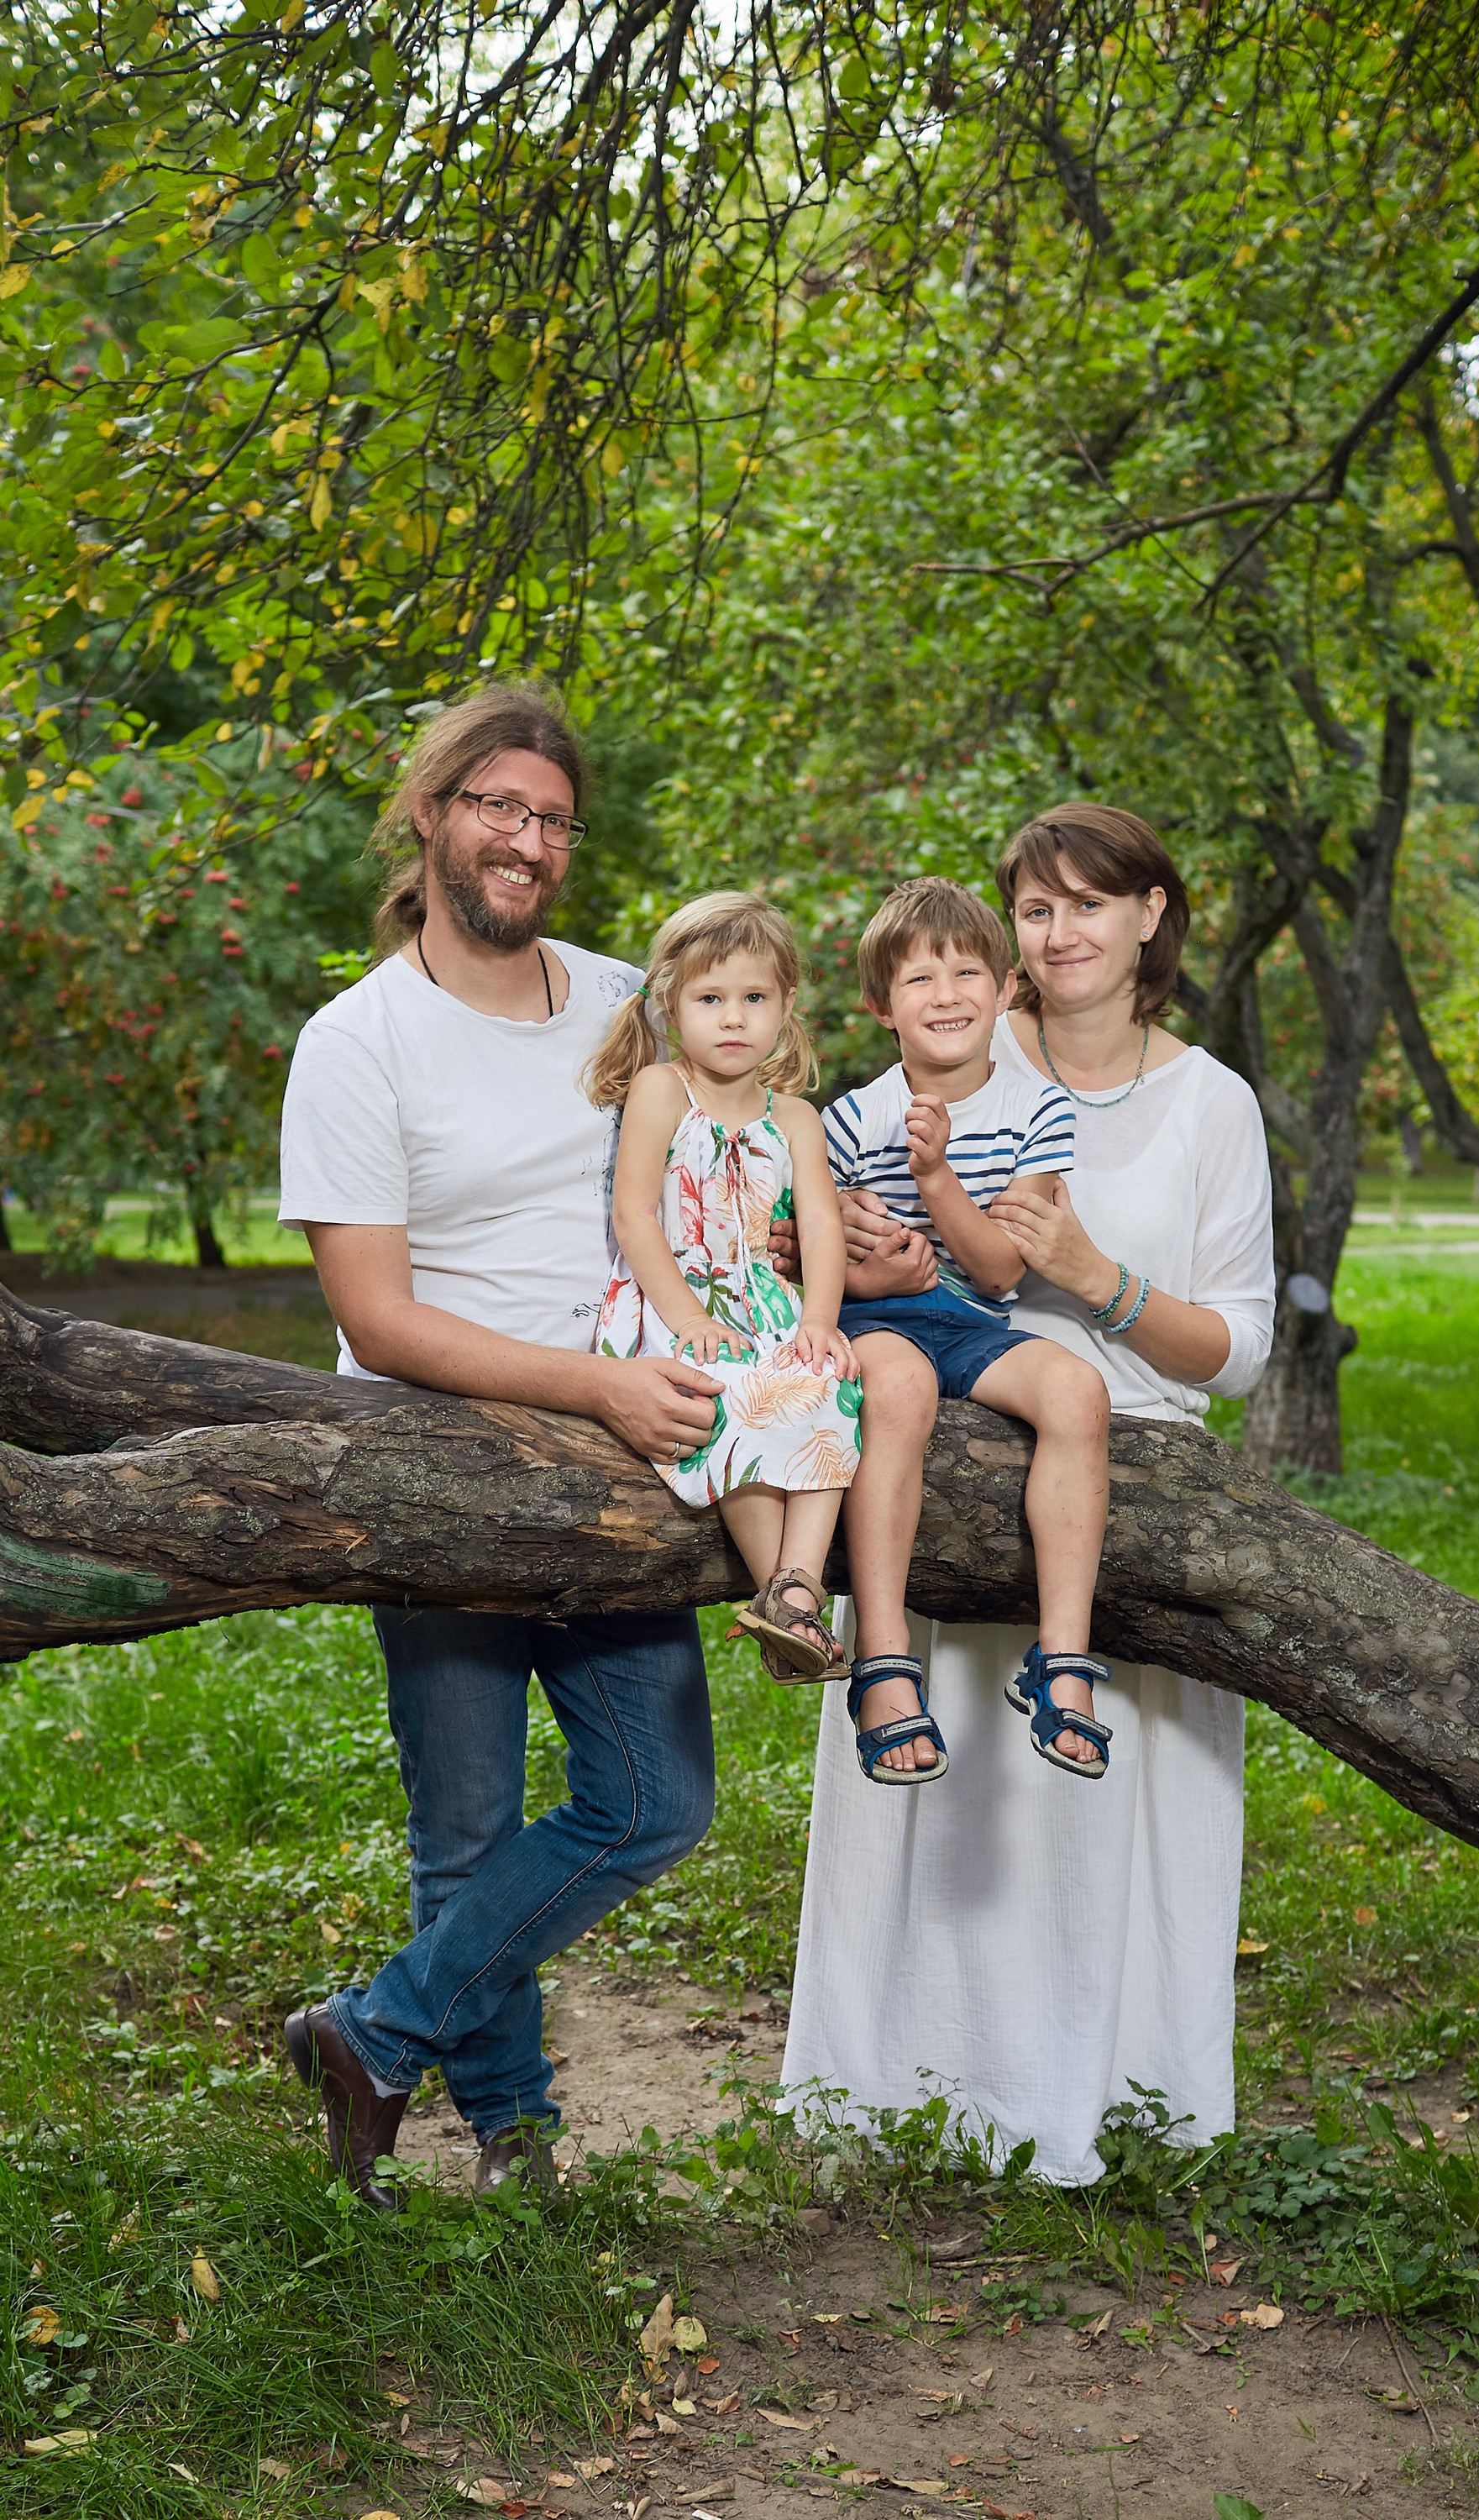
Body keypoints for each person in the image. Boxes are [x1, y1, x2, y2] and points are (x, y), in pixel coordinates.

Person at [276, 681, 732, 2208]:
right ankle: (518, 2132)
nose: (526, 839)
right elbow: (377, 1318)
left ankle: (371, 2028)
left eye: (551, 818)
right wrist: (582, 1387)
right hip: (441, 1472)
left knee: (655, 1802)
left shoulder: (622, 1000)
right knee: (465, 1821)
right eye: (498, 807)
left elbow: (725, 1164)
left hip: (620, 1477)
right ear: (433, 814)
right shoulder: (358, 1042)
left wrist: (839, 1215)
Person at [783, 806, 1275, 2181]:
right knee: (949, 1811)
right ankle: (913, 2094)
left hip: (1134, 1460)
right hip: (938, 1456)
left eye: (1089, 906)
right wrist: (860, 1259)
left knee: (1102, 1810)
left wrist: (1099, 1278)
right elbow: (821, 1221)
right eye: (1036, 910)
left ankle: (1118, 2101)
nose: (1060, 935)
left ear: (1152, 919)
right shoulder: (938, 1069)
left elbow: (1240, 1353)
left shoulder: (1209, 1103)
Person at [824, 877, 1117, 1785]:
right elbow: (805, 1258)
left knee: (1076, 1389)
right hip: (873, 1322)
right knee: (896, 1390)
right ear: (880, 1006)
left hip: (969, 1320)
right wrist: (863, 1255)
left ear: (1003, 989)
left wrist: (936, 1176)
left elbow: (998, 1271)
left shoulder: (1038, 1110)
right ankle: (882, 1662)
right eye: (917, 979)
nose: (945, 995)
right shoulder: (845, 1121)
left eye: (964, 973)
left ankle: (1060, 1661)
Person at [589, 892, 860, 1683]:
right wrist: (689, 1318)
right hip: (672, 1299)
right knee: (729, 1392)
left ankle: (795, 1592)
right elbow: (636, 1217)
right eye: (711, 999)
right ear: (672, 1005)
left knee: (829, 1384)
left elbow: (821, 1229)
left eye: (754, 999)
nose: (733, 1018)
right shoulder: (662, 1091)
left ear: (786, 1008)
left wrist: (819, 1320)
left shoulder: (798, 1119)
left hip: (765, 1302)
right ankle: (783, 1601)